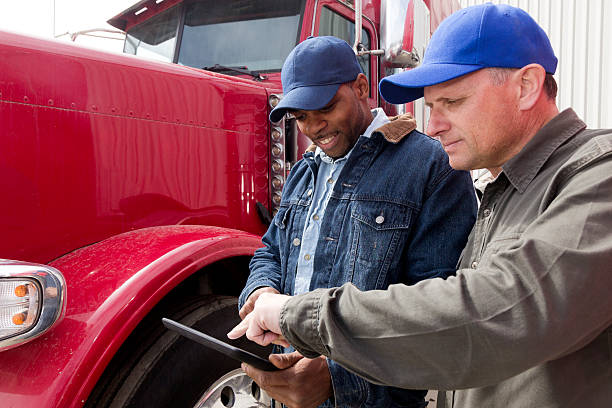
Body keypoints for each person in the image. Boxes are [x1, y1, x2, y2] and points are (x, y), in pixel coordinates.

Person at [229, 4, 612, 408]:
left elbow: (493, 312)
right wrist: (268, 296)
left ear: (526, 86)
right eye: (432, 106)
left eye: (454, 101)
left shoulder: (598, 176)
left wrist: (298, 318)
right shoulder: (505, 191)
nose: (432, 126)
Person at [237, 35, 477, 408]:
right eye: (301, 117)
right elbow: (270, 250)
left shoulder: (431, 165)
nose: (315, 127)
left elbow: (436, 313)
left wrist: (336, 379)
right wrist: (261, 292)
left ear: (362, 87)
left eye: (326, 108)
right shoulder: (304, 171)